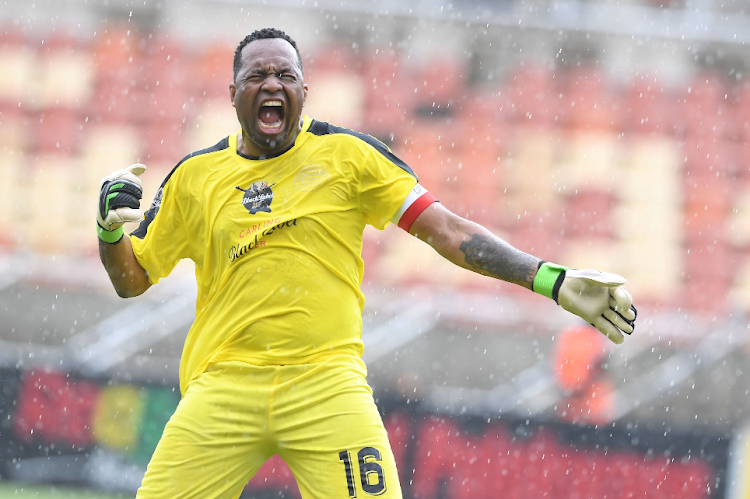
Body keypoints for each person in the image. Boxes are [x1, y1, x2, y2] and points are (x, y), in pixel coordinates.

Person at [96, 28, 637, 499]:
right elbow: (131, 279)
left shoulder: (349, 156)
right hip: (222, 387)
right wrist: (108, 230)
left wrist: (553, 279)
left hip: (326, 386)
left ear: (304, 92)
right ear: (232, 92)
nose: (271, 84)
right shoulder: (194, 177)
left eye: (285, 74)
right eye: (256, 74)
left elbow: (448, 233)